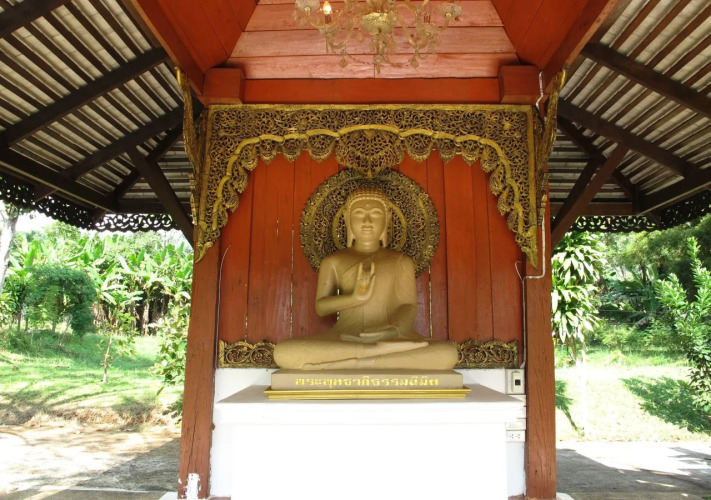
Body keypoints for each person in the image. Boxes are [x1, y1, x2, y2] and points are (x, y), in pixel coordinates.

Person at [274, 188, 458, 370]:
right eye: (359, 214)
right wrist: (355, 298)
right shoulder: (333, 262)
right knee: (284, 352)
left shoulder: (402, 262)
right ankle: (373, 357)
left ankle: (358, 359)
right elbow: (321, 307)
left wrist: (393, 329)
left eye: (376, 214)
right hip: (344, 337)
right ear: (347, 219)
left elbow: (408, 306)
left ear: (387, 220)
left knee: (447, 354)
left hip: (390, 338)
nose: (367, 221)